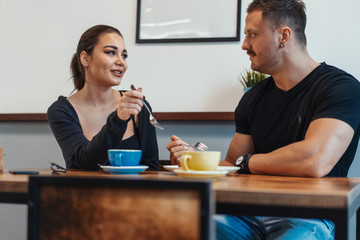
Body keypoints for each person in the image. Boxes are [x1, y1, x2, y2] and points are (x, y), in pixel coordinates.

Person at [166, 0, 360, 239]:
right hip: (247, 215)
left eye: (252, 35)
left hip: (311, 217)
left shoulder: (341, 88)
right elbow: (233, 165)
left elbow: (315, 160)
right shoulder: (252, 99)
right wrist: (195, 162)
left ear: (283, 36)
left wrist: (247, 162)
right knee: (182, 226)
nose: (245, 45)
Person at [48, 25, 159, 171]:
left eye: (124, 55)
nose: (121, 62)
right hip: (84, 193)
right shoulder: (61, 111)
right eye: (111, 52)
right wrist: (118, 120)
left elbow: (151, 168)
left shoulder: (138, 106)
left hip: (134, 194)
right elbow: (82, 163)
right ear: (85, 58)